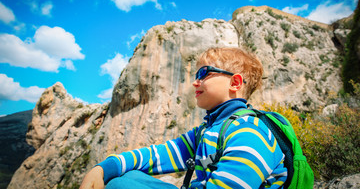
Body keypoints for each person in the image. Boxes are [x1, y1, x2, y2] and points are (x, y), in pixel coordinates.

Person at [80, 47, 287, 189]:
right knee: (124, 177)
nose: (195, 83)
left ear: (234, 83)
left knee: (120, 185)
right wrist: (103, 168)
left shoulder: (250, 132)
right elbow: (158, 155)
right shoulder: (209, 130)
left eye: (204, 74)